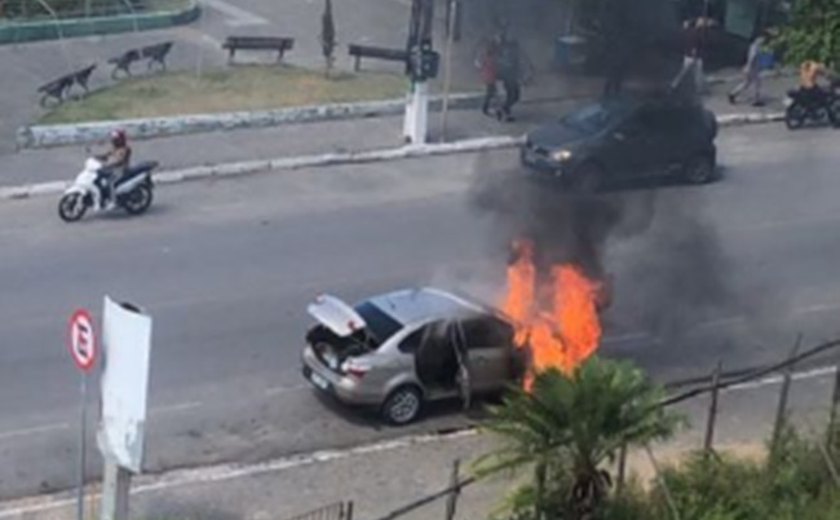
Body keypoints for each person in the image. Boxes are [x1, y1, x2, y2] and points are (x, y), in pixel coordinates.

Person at [728, 31, 768, 106]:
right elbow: (752, 57)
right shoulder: (755, 47)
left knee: (746, 83)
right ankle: (756, 100)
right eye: (762, 38)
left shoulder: (754, 46)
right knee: (757, 83)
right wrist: (748, 67)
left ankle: (733, 93)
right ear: (757, 39)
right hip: (753, 68)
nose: (763, 40)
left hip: (753, 68)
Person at [95, 129, 132, 209]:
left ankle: (113, 201)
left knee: (109, 182)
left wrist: (108, 165)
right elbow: (106, 155)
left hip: (120, 170)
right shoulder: (114, 148)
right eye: (113, 139)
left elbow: (119, 161)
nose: (113, 141)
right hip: (112, 169)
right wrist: (96, 157)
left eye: (116, 139)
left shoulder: (125, 149)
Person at [495, 33, 523, 122]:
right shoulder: (508, 53)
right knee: (513, 96)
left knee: (514, 96)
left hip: (511, 78)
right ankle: (504, 110)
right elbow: (507, 65)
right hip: (509, 78)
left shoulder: (510, 53)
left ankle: (504, 110)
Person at [476, 35, 500, 116]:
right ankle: (490, 108)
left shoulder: (489, 54)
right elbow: (491, 64)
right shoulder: (491, 56)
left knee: (492, 92)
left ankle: (489, 108)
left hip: (489, 76)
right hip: (490, 76)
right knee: (491, 93)